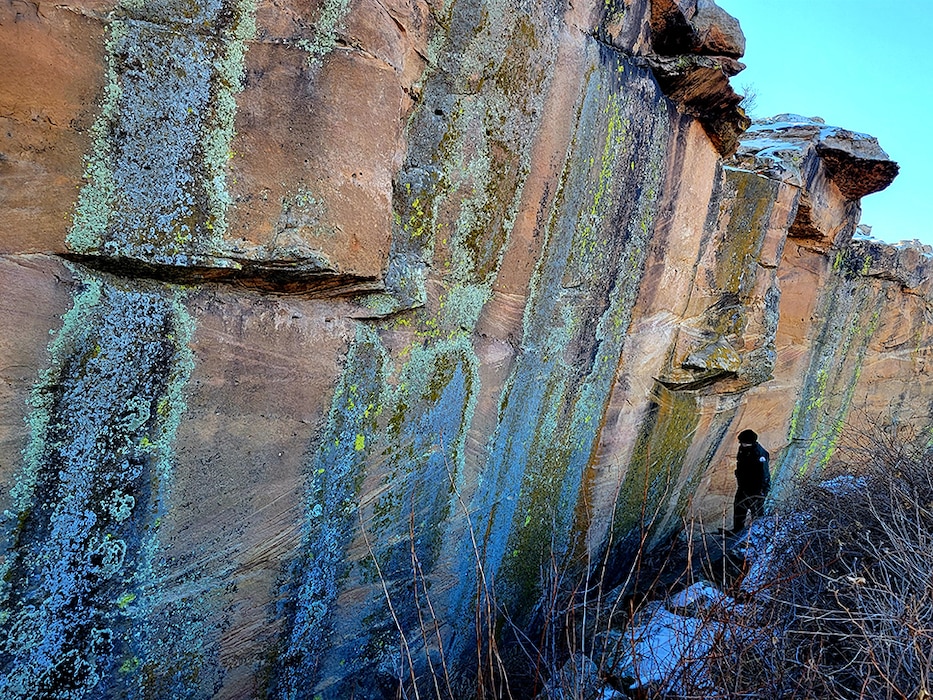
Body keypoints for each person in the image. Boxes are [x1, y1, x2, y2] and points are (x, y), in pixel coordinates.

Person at [732, 429, 770, 532]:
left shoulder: (759, 454)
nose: (741, 444)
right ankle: (737, 529)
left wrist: (762, 491)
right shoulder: (743, 449)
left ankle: (759, 531)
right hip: (744, 485)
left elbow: (764, 474)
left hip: (756, 488)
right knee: (739, 506)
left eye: (743, 442)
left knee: (756, 510)